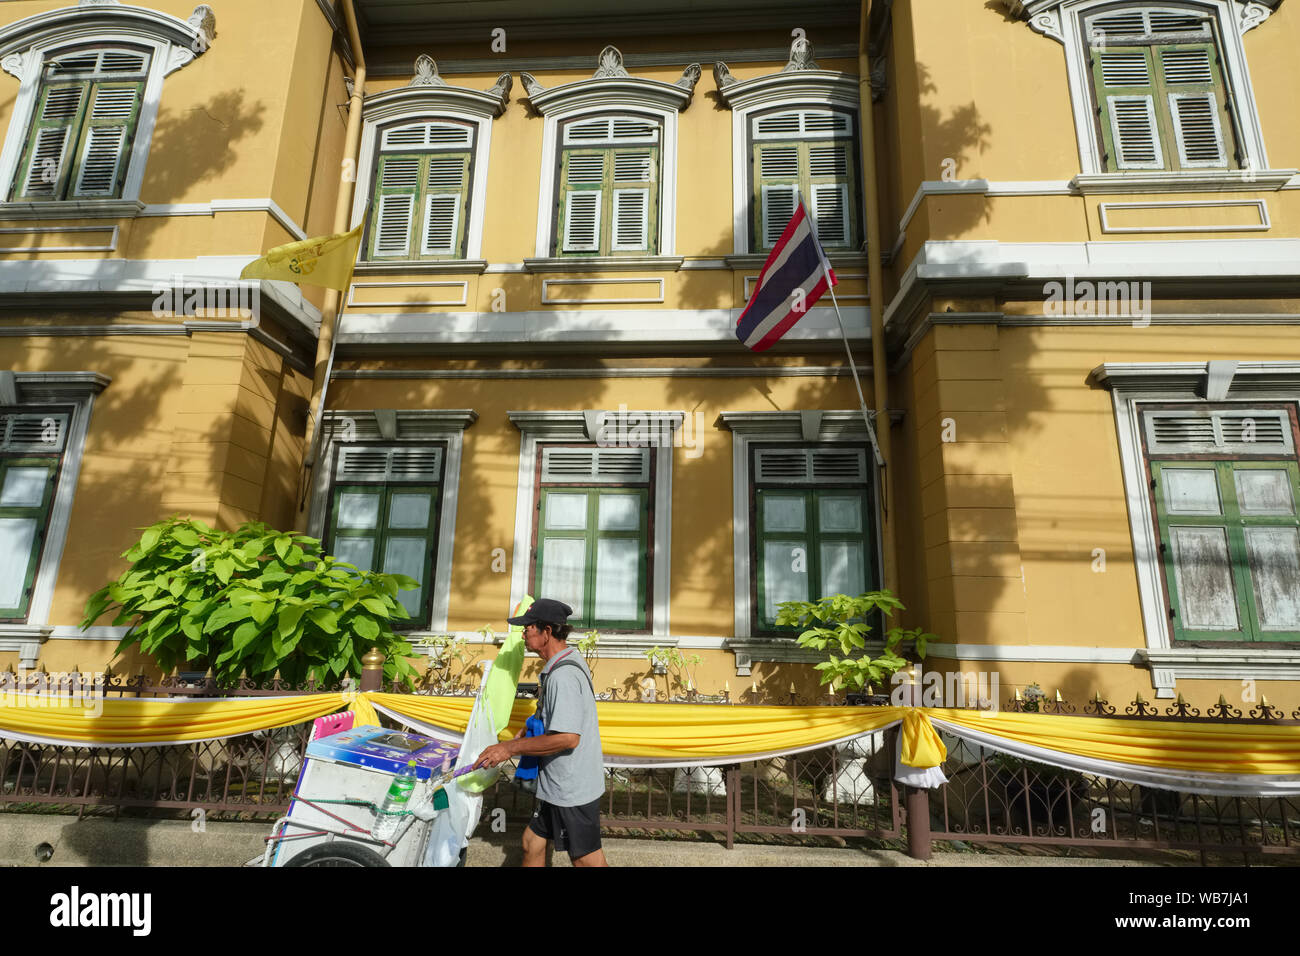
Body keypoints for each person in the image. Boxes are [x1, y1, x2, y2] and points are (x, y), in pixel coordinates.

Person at [474, 598, 608, 867]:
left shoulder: (563, 677)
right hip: (557, 785)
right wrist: (532, 722)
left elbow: (568, 737)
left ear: (546, 632)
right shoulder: (564, 663)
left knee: (586, 861)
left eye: (528, 628)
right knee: (531, 844)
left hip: (571, 789)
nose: (523, 634)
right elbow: (563, 714)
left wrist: (508, 748)